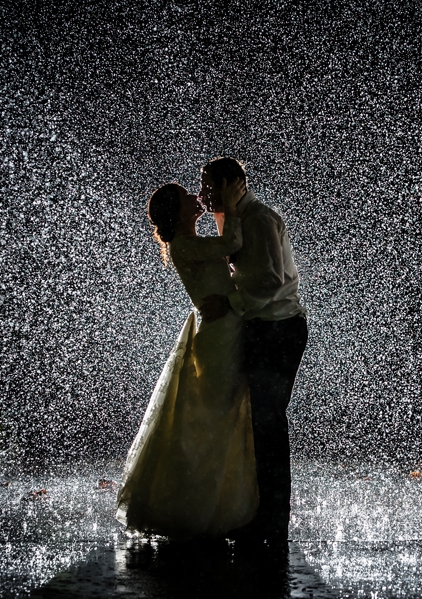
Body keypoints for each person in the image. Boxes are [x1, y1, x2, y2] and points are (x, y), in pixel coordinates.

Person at [115, 178, 258, 539]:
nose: (195, 198)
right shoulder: (184, 245)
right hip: (218, 335)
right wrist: (231, 201)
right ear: (177, 214)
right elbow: (233, 243)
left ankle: (220, 504)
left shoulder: (191, 243)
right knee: (215, 418)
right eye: (185, 198)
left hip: (222, 328)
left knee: (221, 418)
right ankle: (202, 507)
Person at [197, 157, 308, 546]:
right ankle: (265, 515)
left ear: (231, 183)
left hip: (278, 329)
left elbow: (271, 279)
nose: (202, 194)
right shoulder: (238, 218)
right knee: (262, 424)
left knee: (269, 425)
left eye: (208, 185)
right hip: (266, 328)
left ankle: (274, 521)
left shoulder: (259, 219)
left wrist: (231, 303)